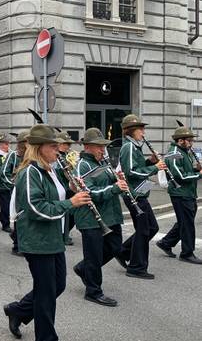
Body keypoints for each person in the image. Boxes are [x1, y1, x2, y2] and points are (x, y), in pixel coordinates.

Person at [3, 124, 91, 341]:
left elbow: (54, 197)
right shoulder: (29, 172)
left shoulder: (50, 169)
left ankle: (18, 310)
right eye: (54, 146)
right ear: (39, 148)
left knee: (57, 286)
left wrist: (70, 189)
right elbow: (35, 209)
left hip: (53, 238)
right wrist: (71, 203)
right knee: (46, 293)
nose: (58, 150)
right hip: (37, 240)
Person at [72, 128, 129, 306]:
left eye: (103, 147)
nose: (102, 150)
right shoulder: (83, 165)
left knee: (115, 247)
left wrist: (118, 179)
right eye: (99, 147)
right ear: (88, 147)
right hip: (90, 217)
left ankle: (84, 268)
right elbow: (90, 192)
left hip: (110, 215)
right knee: (94, 255)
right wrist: (115, 188)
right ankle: (93, 291)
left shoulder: (102, 161)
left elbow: (110, 182)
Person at [117, 114, 167, 279]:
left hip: (138, 193)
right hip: (134, 195)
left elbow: (137, 166)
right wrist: (156, 168)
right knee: (144, 230)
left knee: (152, 228)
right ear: (131, 130)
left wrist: (150, 162)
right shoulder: (129, 147)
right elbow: (130, 172)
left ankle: (124, 252)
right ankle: (136, 267)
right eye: (141, 129)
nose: (144, 133)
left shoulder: (133, 146)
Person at [156, 125, 202, 264]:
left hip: (188, 192)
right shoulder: (174, 153)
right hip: (180, 193)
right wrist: (198, 174)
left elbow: (185, 169)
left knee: (185, 221)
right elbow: (179, 175)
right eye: (189, 140)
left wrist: (195, 168)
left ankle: (166, 242)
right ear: (180, 140)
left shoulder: (184, 151)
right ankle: (187, 253)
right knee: (187, 223)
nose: (191, 143)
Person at [7, 130, 29, 255]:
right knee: (18, 216)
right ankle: (16, 245)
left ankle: (17, 237)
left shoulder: (30, 155)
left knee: (23, 216)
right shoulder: (15, 155)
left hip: (26, 187)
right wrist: (11, 183)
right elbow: (7, 172)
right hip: (18, 187)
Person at [54, 131, 77, 245]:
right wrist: (63, 168)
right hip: (60, 187)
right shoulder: (55, 155)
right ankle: (63, 236)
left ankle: (64, 233)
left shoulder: (68, 155)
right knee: (64, 213)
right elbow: (53, 169)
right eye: (65, 143)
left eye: (69, 144)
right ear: (58, 144)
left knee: (72, 213)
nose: (68, 146)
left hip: (69, 187)